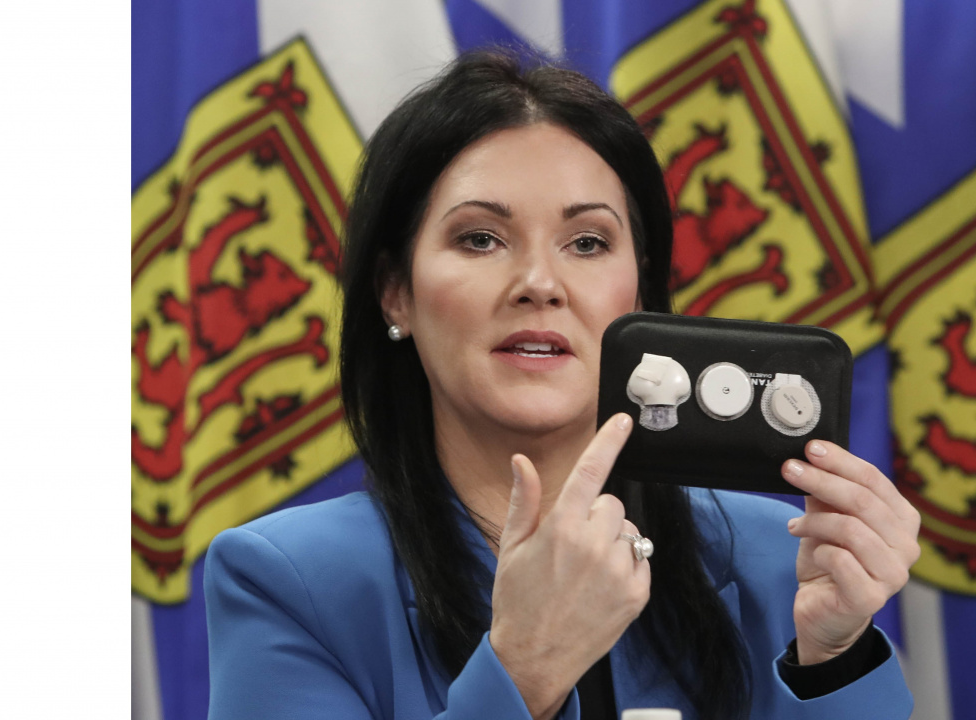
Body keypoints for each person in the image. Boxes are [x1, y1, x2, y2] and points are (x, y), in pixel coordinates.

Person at [205, 50, 920, 720]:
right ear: (395, 292)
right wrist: (522, 671)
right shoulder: (287, 581)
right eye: (480, 238)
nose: (540, 284)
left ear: (638, 289)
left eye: (587, 243)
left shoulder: (777, 556)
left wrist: (831, 659)